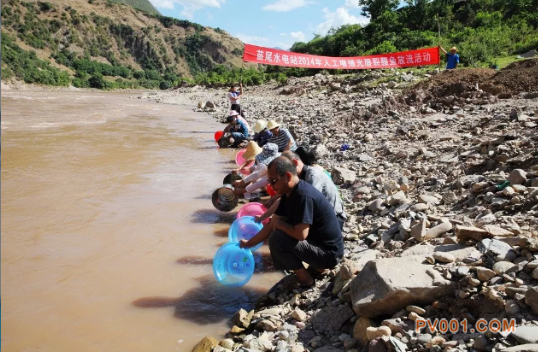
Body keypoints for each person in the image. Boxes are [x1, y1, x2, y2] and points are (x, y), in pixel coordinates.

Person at [239, 157, 344, 288]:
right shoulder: (289, 194)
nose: (270, 186)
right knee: (277, 231)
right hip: (319, 246)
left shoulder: (303, 196)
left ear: (287, 176)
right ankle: (309, 269)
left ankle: (305, 279)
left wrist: (280, 225)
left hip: (330, 254)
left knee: (276, 238)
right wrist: (248, 244)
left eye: (273, 181)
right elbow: (271, 225)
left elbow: (301, 235)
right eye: (269, 181)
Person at [256, 150, 347, 230]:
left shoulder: (313, 176)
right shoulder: (298, 177)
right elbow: (282, 200)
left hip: (333, 219)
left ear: (295, 163)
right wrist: (263, 217)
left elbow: (308, 203)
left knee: (283, 230)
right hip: (317, 215)